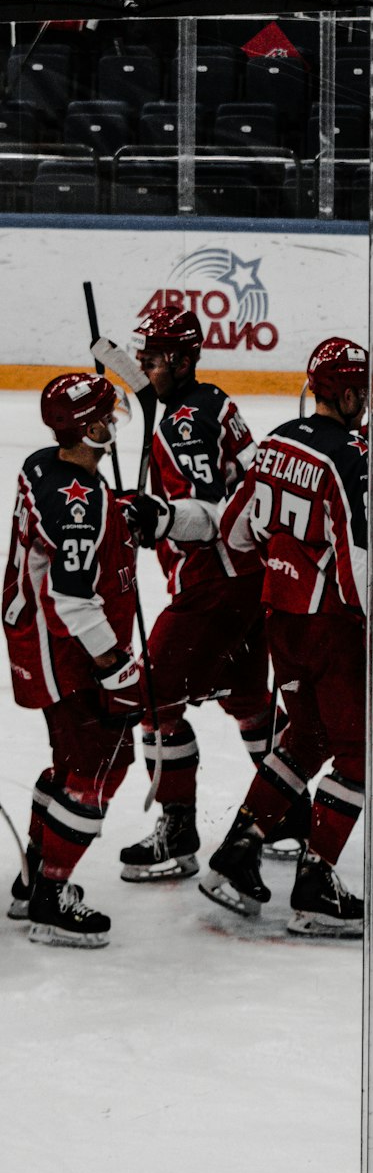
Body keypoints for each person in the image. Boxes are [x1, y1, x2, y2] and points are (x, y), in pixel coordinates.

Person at [199, 337, 369, 938]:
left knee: (305, 735)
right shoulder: (351, 455)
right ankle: (316, 881)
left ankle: (238, 852)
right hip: (332, 626)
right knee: (357, 754)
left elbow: (232, 530)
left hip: (281, 620)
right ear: (346, 394)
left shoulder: (274, 442)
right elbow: (356, 559)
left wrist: (285, 558)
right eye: (362, 392)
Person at [114, 304, 276, 885]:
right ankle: (285, 817)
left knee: (154, 697)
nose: (144, 367)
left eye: (152, 360)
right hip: (252, 577)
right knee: (251, 700)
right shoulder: (210, 401)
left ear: (182, 361)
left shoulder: (181, 424)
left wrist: (157, 518)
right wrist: (131, 374)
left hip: (214, 583)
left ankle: (179, 832)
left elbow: (208, 511)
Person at [3, 372, 141, 947]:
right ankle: (52, 896)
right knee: (99, 763)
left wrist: (116, 507)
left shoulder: (46, 465)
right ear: (87, 428)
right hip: (63, 645)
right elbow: (73, 598)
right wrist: (116, 665)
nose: (114, 423)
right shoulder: (77, 507)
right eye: (106, 416)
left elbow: (71, 519)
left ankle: (36, 875)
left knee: (73, 760)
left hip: (39, 637)